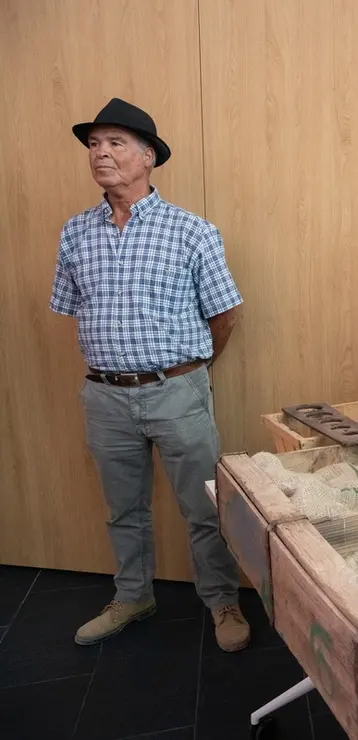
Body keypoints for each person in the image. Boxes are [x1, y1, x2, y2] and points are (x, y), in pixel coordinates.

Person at [50, 98, 250, 652]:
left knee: (204, 506)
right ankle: (132, 595)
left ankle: (222, 600)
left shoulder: (192, 231)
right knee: (123, 508)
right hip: (104, 396)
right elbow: (72, 308)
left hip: (177, 390)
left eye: (114, 143)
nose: (100, 154)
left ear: (147, 157)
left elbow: (225, 314)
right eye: (93, 144)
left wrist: (195, 372)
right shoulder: (75, 234)